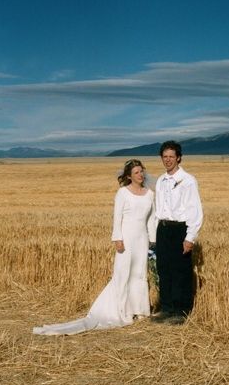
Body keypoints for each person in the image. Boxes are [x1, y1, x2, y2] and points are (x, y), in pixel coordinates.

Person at [33, 159, 156, 335]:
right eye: (136, 172)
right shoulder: (123, 193)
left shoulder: (149, 194)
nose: (140, 175)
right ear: (129, 176)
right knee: (123, 273)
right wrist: (117, 238)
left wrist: (152, 238)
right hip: (127, 238)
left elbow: (151, 218)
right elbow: (117, 217)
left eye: (141, 171)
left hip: (142, 239)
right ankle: (122, 312)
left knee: (139, 273)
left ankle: (141, 310)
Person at [152, 141, 203, 325]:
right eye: (165, 157)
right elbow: (158, 209)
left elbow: (194, 210)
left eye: (171, 157)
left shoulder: (188, 180)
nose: (168, 160)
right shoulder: (160, 180)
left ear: (179, 158)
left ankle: (182, 312)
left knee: (180, 270)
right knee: (164, 269)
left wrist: (189, 237)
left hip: (179, 229)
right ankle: (167, 309)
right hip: (163, 229)